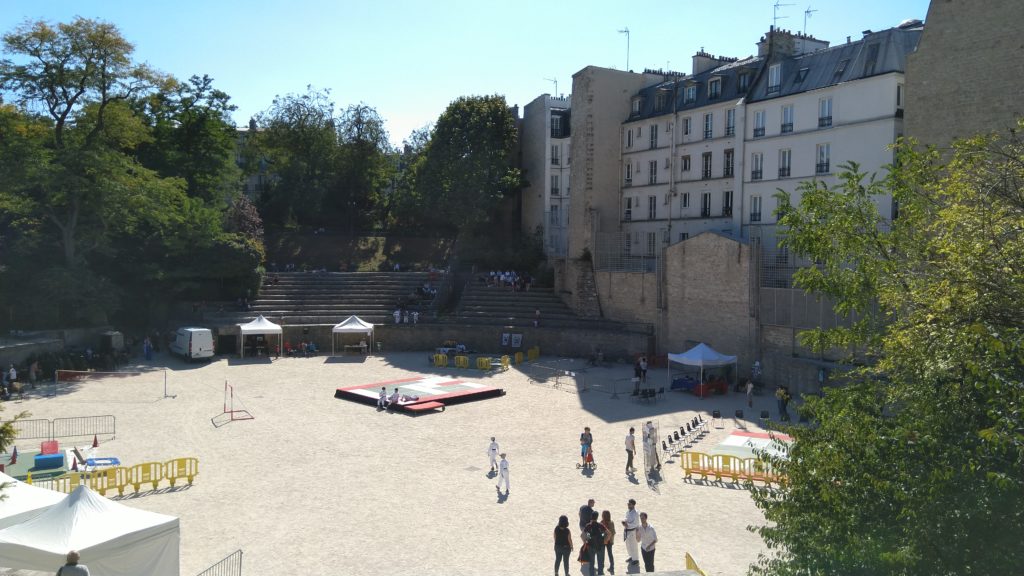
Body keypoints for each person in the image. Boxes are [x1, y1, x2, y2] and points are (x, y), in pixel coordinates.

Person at [582, 511, 608, 576]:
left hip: (591, 546)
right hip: (601, 546)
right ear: (597, 517)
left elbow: (582, 535)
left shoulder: (588, 525)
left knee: (591, 563)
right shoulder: (600, 525)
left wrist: (585, 542)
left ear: (591, 517)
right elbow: (609, 533)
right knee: (600, 563)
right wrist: (605, 541)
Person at [621, 499, 640, 568]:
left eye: (629, 504)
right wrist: (624, 521)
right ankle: (631, 556)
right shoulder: (628, 511)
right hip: (627, 530)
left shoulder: (636, 513)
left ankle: (636, 559)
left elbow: (636, 524)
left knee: (633, 545)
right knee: (628, 545)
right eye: (628, 504)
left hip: (633, 531)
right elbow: (626, 518)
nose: (628, 505)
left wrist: (627, 525)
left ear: (633, 505)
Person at [601, 510, 617, 575]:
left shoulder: (601, 522)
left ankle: (601, 568)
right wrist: (611, 539)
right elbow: (613, 532)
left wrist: (603, 537)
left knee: (602, 555)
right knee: (610, 554)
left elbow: (601, 533)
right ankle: (612, 567)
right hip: (610, 541)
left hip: (603, 541)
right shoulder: (611, 522)